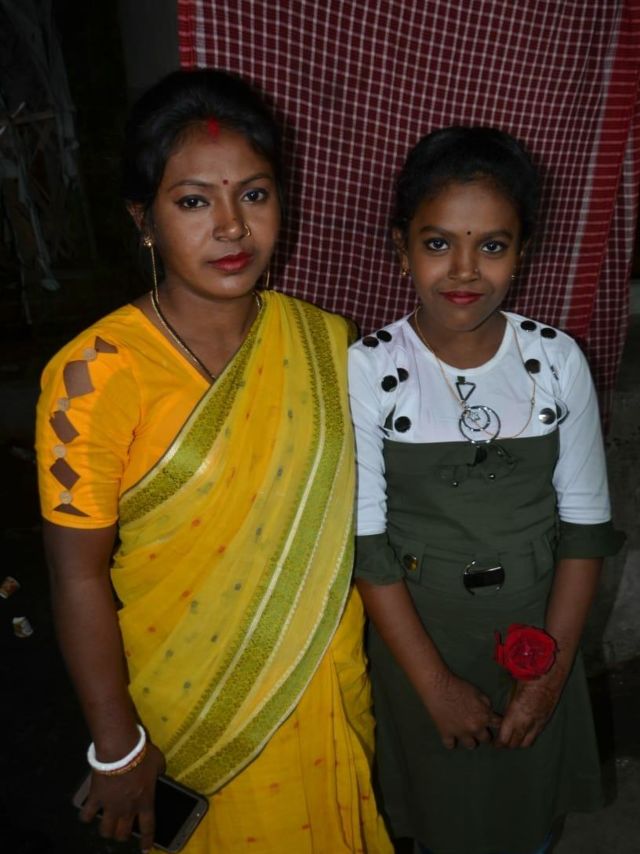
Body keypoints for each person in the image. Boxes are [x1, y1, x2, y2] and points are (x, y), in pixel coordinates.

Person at [36, 68, 392, 854]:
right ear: (144, 220)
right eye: (194, 202)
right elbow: (75, 576)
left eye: (254, 195)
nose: (232, 227)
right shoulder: (95, 375)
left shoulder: (327, 344)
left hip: (323, 685)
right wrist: (117, 746)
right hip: (185, 713)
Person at [348, 127, 623, 854]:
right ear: (401, 246)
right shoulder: (366, 370)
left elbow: (585, 530)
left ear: (521, 251)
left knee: (530, 812)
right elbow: (367, 545)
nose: (464, 270)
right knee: (440, 816)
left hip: (540, 635)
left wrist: (548, 678)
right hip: (419, 642)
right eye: (438, 243)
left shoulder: (556, 362)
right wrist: (434, 685)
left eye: (492, 245)